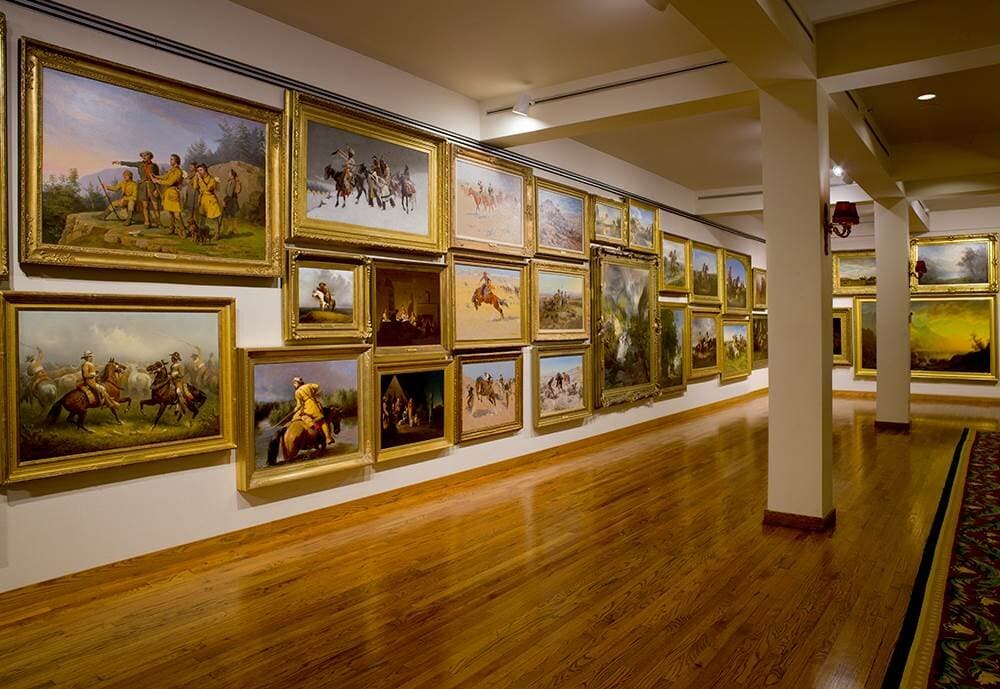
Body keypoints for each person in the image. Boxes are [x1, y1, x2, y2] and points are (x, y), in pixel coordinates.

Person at [112, 151, 161, 229]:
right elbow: (129, 164)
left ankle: (159, 223)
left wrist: (157, 190)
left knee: (155, 206)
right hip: (143, 187)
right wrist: (119, 162)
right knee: (145, 206)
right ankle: (147, 222)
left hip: (152, 186)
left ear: (150, 156)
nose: (144, 157)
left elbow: (158, 177)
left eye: (146, 155)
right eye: (143, 156)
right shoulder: (139, 164)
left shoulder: (154, 166)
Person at [292, 377, 335, 444]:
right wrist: (313, 393)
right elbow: (317, 386)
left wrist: (295, 409)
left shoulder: (297, 392)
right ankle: (328, 438)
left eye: (295, 383)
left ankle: (312, 425)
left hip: (306, 408)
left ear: (298, 383)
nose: (294, 385)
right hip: (314, 406)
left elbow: (299, 404)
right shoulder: (309, 385)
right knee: (322, 420)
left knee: (302, 416)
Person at [153, 154, 184, 236]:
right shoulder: (171, 170)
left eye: (172, 159)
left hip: (173, 192)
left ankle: (183, 230)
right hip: (168, 192)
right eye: (170, 159)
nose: (170, 161)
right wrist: (156, 177)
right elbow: (165, 176)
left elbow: (170, 182)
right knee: (170, 213)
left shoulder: (178, 171)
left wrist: (158, 181)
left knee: (176, 214)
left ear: (176, 161)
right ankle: (172, 229)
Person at [193, 163, 223, 240]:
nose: (199, 172)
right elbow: (195, 187)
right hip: (203, 200)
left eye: (201, 170)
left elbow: (206, 189)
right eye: (198, 170)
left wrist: (200, 179)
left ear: (205, 170)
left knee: (214, 218)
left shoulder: (212, 179)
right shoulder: (200, 177)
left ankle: (217, 234)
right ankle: (201, 234)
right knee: (202, 218)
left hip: (211, 200)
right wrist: (196, 178)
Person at [222, 169, 242, 237]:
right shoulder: (230, 182)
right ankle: (233, 230)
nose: (228, 175)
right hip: (231, 200)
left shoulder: (233, 182)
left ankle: (227, 231)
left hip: (231, 201)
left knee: (227, 216)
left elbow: (230, 194)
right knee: (232, 216)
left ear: (232, 175)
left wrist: (224, 200)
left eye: (229, 174)